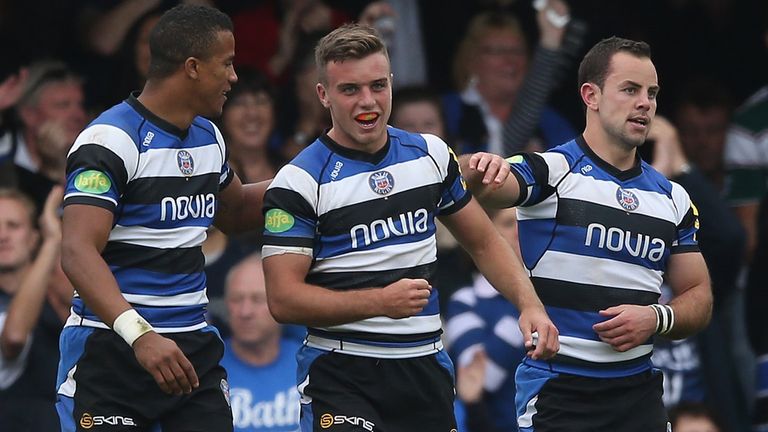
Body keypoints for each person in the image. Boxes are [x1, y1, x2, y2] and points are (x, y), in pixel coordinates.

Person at [260, 23, 559, 432]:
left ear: (392, 83)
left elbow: (485, 241)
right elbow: (283, 300)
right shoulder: (299, 181)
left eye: (378, 86)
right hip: (341, 370)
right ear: (322, 94)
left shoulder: (430, 155)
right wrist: (379, 301)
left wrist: (530, 304)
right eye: (350, 89)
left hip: (423, 367)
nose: (368, 102)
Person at [461, 36, 713, 431]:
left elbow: (700, 296)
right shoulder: (552, 170)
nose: (644, 102)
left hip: (639, 393)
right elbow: (479, 183)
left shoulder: (672, 197)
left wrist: (657, 317)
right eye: (630, 90)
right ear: (590, 96)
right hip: (561, 393)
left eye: (652, 93)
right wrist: (476, 165)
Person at [56, 5, 269, 431]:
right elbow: (78, 251)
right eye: (226, 64)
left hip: (192, 352)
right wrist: (141, 334)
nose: (234, 77)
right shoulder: (111, 139)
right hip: (114, 348)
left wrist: (318, 173)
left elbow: (239, 212)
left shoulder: (208, 136)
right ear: (192, 67)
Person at [444, 207, 527, 432]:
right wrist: (527, 300)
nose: (520, 231)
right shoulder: (465, 301)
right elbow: (483, 377)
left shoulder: (555, 295)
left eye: (524, 222)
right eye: (509, 224)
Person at [0, 186, 68, 432]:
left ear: (32, 238)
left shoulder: (56, 289)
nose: (2, 236)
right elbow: (14, 338)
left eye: (13, 226)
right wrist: (52, 242)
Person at [220, 253, 302, 432]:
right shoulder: (207, 368)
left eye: (257, 299)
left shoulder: (307, 364)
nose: (245, 312)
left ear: (278, 303)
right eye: (236, 299)